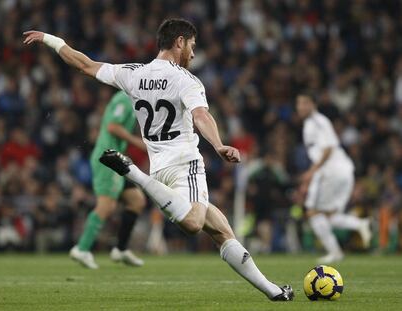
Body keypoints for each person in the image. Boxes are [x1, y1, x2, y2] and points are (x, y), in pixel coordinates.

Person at [23, 18, 293, 301]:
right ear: (179, 42)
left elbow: (84, 65)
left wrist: (50, 39)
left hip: (161, 168)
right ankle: (134, 173)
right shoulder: (186, 79)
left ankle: (273, 292)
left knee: (221, 230)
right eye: (192, 45)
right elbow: (201, 115)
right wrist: (219, 144)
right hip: (185, 163)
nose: (193, 53)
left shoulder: (134, 73)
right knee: (193, 223)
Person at [70, 91, 147, 269]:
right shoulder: (124, 99)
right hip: (107, 158)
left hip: (115, 156)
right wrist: (137, 142)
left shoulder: (131, 99)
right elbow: (113, 126)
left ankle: (120, 249)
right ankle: (81, 248)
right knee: (107, 205)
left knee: (136, 201)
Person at [296, 94, 372, 264]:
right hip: (342, 170)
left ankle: (336, 252)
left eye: (304, 103)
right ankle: (359, 224)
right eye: (298, 103)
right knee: (329, 216)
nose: (300, 107)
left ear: (314, 104)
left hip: (331, 171)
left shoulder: (316, 122)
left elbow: (328, 149)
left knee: (312, 211)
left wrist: (310, 172)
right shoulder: (317, 122)